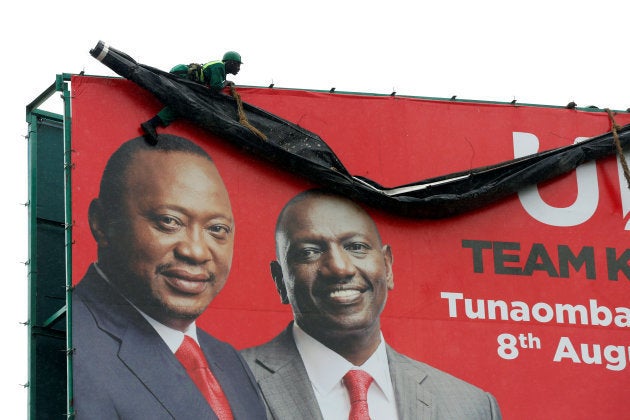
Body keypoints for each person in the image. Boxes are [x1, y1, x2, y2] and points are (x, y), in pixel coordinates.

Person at [241, 189, 502, 420]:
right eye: (310, 252)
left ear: (387, 267)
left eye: (356, 246)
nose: (340, 268)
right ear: (280, 280)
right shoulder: (226, 382)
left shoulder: (472, 407)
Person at [73, 134, 266, 419]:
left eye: (217, 229)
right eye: (169, 222)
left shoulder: (230, 361)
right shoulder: (68, 344)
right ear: (102, 224)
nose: (197, 252)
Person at [140, 51, 243, 145]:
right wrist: (226, 82)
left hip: (186, 77)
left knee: (180, 105)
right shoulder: (219, 66)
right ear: (231, 62)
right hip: (183, 76)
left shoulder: (221, 71)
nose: (239, 68)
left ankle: (152, 124)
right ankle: (151, 124)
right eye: (238, 65)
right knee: (182, 103)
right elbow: (215, 87)